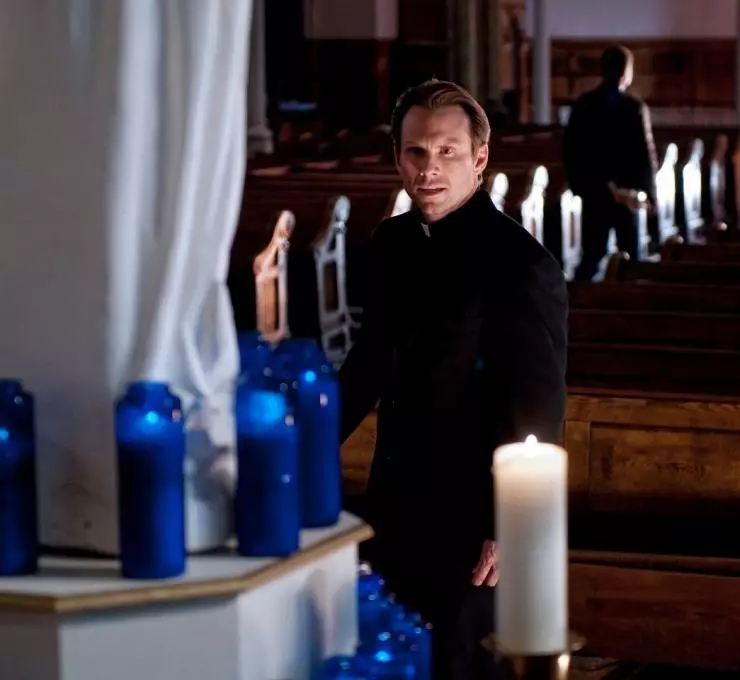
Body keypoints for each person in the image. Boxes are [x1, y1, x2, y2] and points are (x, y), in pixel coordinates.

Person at [339, 80, 568, 680]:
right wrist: (304, 445)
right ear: (398, 157)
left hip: (473, 525)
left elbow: (538, 408)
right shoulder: (390, 243)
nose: (429, 169)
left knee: (462, 665)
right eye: (416, 152)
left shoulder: (521, 264)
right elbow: (368, 362)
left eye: (447, 152)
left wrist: (509, 524)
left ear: (480, 158)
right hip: (392, 503)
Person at [563, 45, 659, 281]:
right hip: (626, 194)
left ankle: (582, 300)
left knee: (593, 254)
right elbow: (644, 154)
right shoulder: (634, 107)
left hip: (595, 192)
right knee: (631, 258)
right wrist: (650, 193)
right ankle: (627, 301)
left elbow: (571, 150)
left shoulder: (584, 104)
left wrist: (581, 186)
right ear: (626, 73)